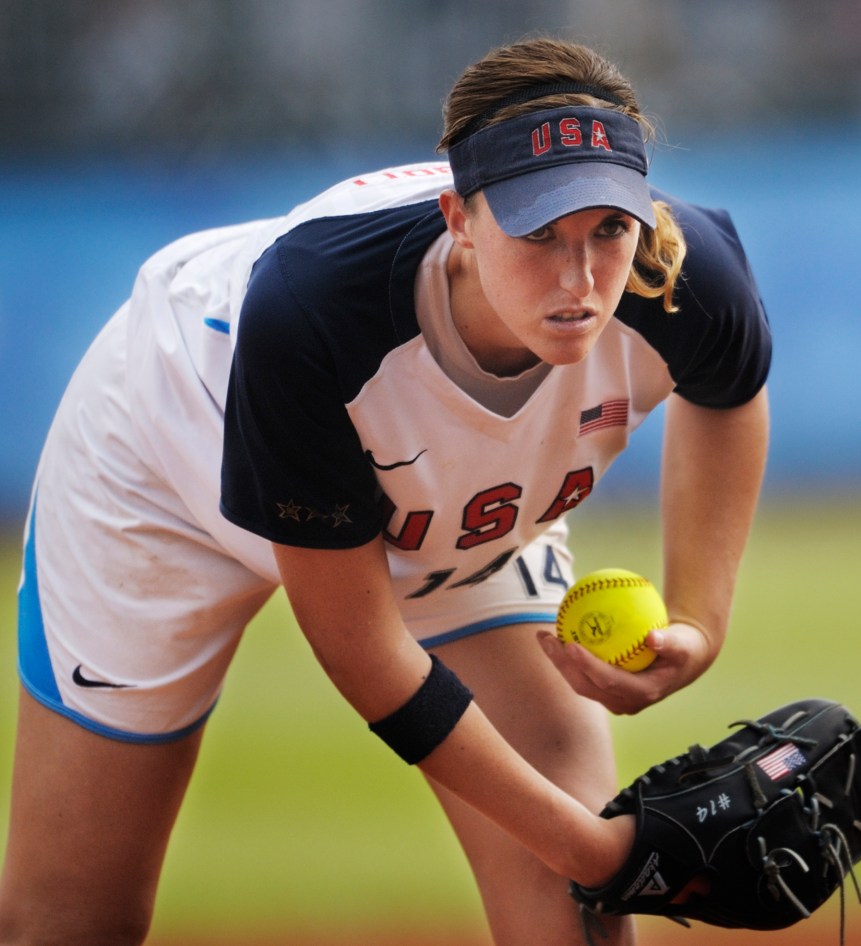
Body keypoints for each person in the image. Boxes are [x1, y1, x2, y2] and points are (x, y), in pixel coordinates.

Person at [0, 36, 770, 946]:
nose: (580, 277)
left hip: (463, 522)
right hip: (163, 463)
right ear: (459, 217)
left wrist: (700, 623)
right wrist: (605, 853)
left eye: (608, 226)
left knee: (576, 918)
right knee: (73, 920)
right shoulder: (314, 312)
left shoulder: (678, 272)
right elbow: (366, 652)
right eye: (538, 232)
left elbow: (729, 396)